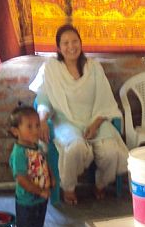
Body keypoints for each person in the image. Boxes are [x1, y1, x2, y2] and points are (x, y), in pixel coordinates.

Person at [33, 24, 128, 205]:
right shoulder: (51, 69)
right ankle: (68, 187)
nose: (71, 47)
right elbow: (43, 99)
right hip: (65, 121)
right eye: (65, 43)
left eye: (75, 41)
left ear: (81, 43)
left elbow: (105, 101)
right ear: (59, 47)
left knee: (111, 151)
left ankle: (101, 183)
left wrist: (95, 124)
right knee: (75, 148)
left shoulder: (94, 68)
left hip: (94, 120)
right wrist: (42, 120)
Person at [8, 105, 57, 227]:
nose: (35, 130)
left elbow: (43, 162)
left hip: (39, 200)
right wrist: (40, 191)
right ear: (16, 131)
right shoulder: (19, 153)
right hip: (28, 201)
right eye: (29, 126)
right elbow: (21, 179)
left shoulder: (34, 147)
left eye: (37, 125)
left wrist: (51, 177)